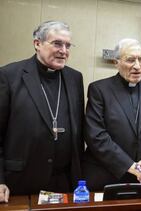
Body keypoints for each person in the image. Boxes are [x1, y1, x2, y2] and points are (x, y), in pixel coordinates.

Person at [0, 21, 84, 201]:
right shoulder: (9, 75)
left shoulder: (75, 78)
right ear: (37, 44)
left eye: (68, 45)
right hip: (21, 182)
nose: (64, 50)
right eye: (57, 43)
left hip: (65, 182)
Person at [82, 38, 141, 191]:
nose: (137, 66)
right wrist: (129, 165)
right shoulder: (99, 90)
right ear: (116, 62)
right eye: (130, 60)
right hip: (106, 176)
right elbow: (95, 135)